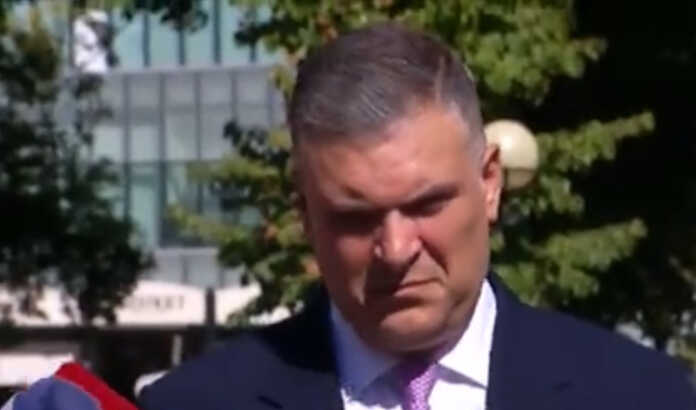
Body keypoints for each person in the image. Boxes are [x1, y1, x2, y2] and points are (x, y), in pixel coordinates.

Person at [138, 23, 696, 410]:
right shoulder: (195, 404)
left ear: (490, 183)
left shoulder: (640, 396)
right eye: (356, 217)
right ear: (306, 216)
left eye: (427, 204)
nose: (397, 249)